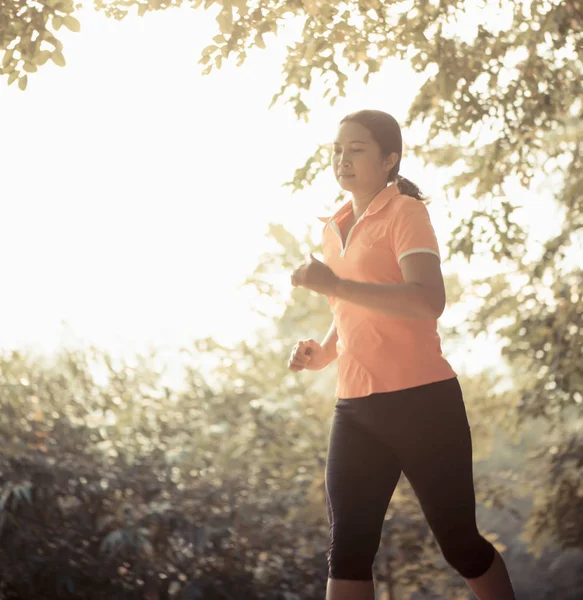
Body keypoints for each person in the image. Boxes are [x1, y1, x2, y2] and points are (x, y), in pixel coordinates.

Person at [289, 110, 515, 600]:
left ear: (390, 159)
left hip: (423, 403)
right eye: (337, 149)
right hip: (355, 408)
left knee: (459, 544)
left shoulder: (407, 213)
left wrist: (334, 283)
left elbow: (425, 300)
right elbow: (352, 305)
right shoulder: (334, 226)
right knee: (347, 548)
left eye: (357, 149)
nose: (343, 159)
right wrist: (322, 353)